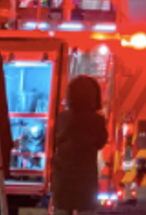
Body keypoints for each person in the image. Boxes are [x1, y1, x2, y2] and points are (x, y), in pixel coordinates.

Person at [51, 76, 108, 215]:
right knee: (86, 209)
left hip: (63, 177)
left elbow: (54, 140)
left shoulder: (62, 118)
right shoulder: (97, 120)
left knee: (62, 208)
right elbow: (101, 142)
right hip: (85, 179)